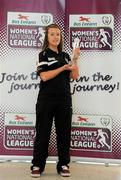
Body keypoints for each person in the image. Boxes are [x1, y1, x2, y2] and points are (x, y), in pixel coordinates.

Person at [31, 23, 80, 178]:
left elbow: (74, 76)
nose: (55, 37)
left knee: (64, 134)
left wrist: (75, 59)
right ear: (47, 37)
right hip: (46, 100)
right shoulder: (43, 55)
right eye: (52, 34)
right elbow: (44, 77)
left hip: (64, 99)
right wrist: (62, 68)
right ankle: (38, 165)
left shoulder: (66, 56)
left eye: (58, 34)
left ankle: (63, 164)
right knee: (43, 133)